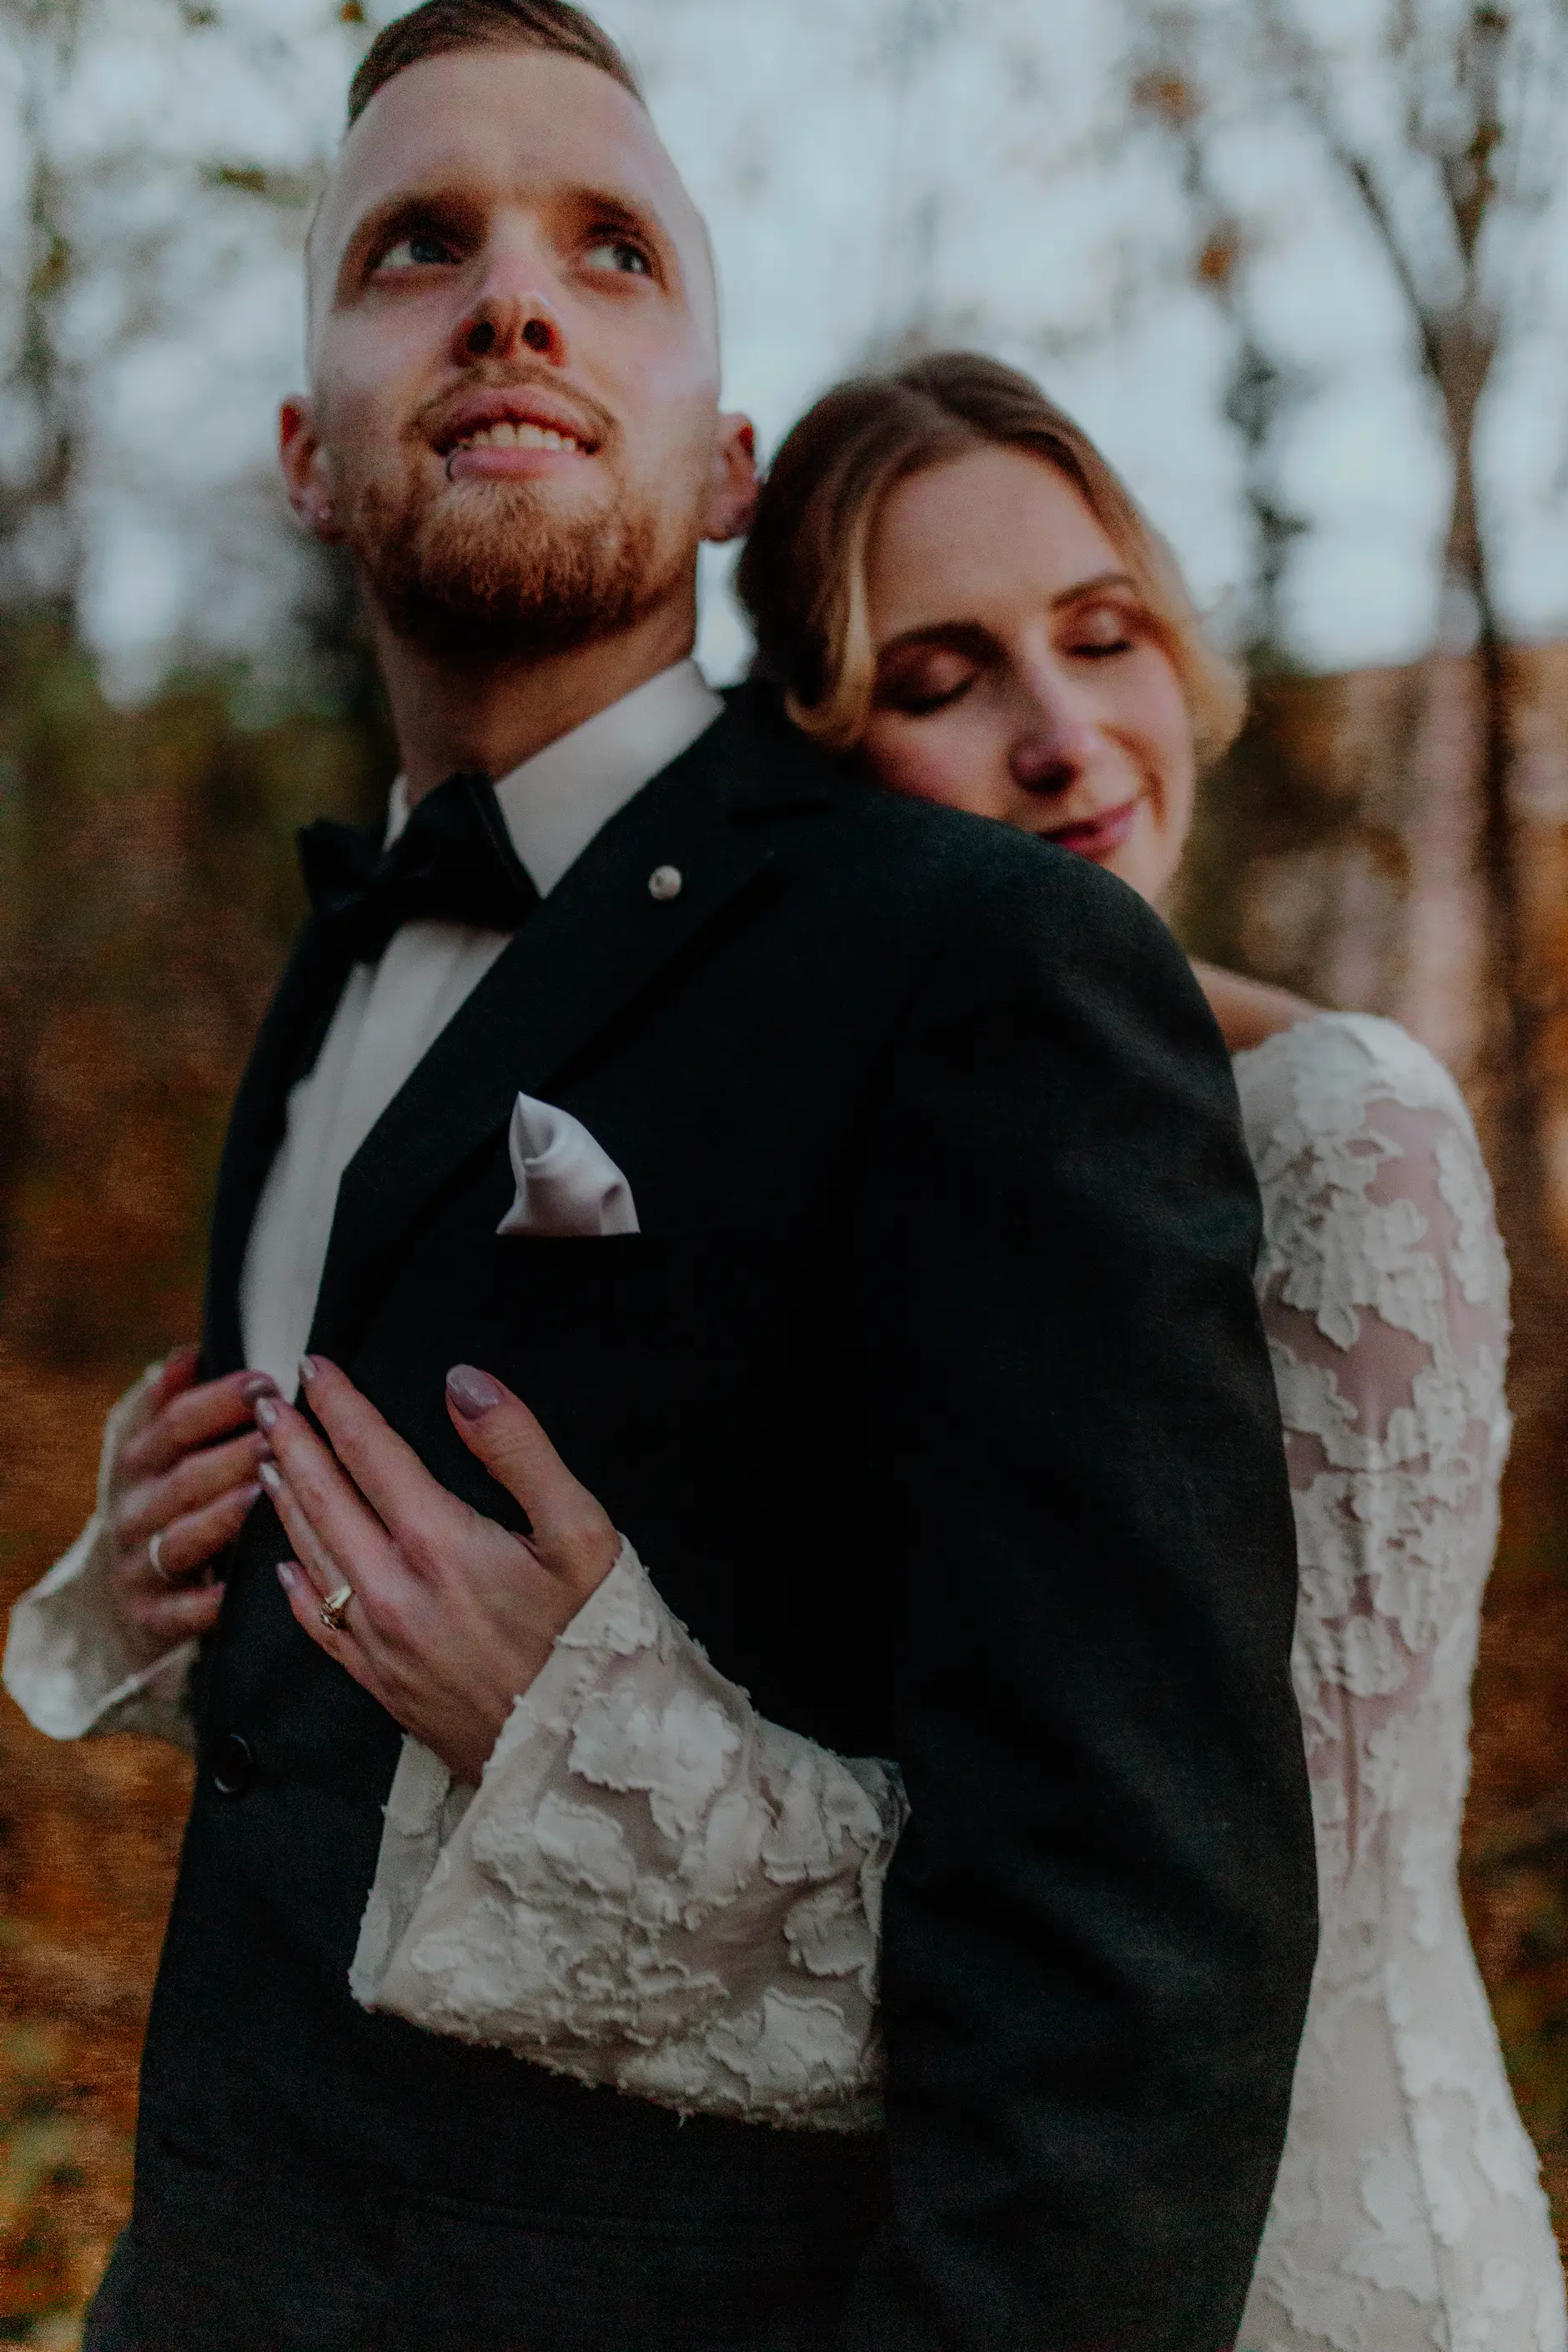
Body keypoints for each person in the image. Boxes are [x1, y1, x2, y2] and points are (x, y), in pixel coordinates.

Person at [3, 5, 1317, 2343]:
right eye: (422, 243)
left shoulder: (982, 972)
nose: (512, 293)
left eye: (610, 247)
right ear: (309, 451)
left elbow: (1133, 1976)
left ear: (726, 468)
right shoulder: (323, 973)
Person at [735, 349, 1568, 2352]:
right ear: (823, 751)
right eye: (940, 682)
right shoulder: (858, 1159)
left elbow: (1207, 1921)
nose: (1063, 737)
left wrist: (576, 1761)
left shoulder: (1338, 1126)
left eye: (1098, 638)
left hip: (1311, 2268)